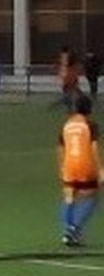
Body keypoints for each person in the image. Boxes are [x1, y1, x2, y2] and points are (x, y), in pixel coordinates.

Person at [60, 94, 102, 247]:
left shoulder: (66, 125)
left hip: (69, 165)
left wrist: (62, 167)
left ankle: (67, 231)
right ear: (89, 109)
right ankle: (74, 228)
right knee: (93, 197)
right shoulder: (90, 125)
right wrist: (100, 170)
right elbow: (94, 148)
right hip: (85, 165)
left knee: (69, 198)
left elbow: (61, 148)